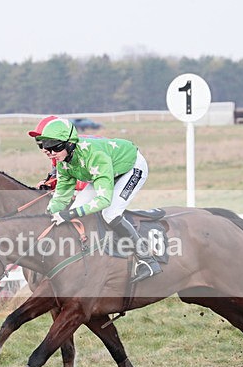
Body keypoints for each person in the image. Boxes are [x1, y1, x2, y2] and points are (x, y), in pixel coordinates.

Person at [30, 116, 161, 283]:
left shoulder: (94, 156)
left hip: (131, 167)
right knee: (77, 211)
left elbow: (104, 200)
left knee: (110, 213)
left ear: (70, 144)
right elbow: (61, 198)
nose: (48, 151)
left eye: (52, 146)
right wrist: (47, 215)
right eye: (42, 145)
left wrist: (68, 214)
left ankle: (147, 260)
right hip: (101, 173)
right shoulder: (63, 162)